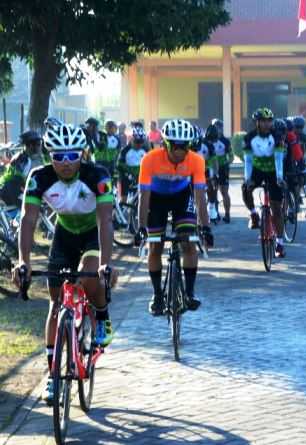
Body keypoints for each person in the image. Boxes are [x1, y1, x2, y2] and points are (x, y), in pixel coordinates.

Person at [12, 123, 116, 403]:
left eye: (73, 155)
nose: (66, 162)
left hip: (94, 232)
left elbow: (105, 220)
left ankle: (102, 316)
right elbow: (28, 219)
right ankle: (53, 376)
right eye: (59, 156)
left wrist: (106, 264)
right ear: (49, 156)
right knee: (56, 303)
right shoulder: (39, 177)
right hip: (65, 234)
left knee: (89, 276)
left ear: (82, 154)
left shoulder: (98, 175)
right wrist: (23, 261)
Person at [135, 119, 213, 316]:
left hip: (181, 196)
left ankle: (189, 292)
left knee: (188, 242)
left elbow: (199, 196)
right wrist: (141, 227)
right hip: (156, 199)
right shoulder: (150, 159)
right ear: (166, 144)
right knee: (155, 246)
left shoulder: (196, 160)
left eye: (185, 146)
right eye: (176, 145)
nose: (180, 150)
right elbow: (144, 196)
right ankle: (157, 295)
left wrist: (206, 227)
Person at [242, 108, 287, 258]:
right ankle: (254, 214)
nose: (267, 124)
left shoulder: (277, 136)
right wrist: (248, 179)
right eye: (263, 121)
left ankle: (280, 243)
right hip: (257, 169)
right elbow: (248, 160)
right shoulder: (250, 138)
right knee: (245, 188)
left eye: (269, 121)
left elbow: (279, 159)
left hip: (273, 171)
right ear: (257, 123)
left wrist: (279, 177)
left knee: (276, 208)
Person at [0, 131, 47, 209]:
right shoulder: (21, 160)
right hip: (9, 190)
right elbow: (20, 182)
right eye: (36, 144)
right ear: (28, 145)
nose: (39, 146)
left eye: (39, 143)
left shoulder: (40, 157)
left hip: (24, 187)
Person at [206, 119, 233, 223]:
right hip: (211, 167)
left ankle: (227, 214)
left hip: (222, 168)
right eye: (215, 127)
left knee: (224, 192)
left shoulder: (225, 141)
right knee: (211, 191)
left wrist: (226, 164)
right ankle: (213, 214)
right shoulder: (207, 139)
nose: (217, 129)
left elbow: (231, 156)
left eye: (219, 127)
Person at [116, 126, 148, 204]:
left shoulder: (145, 150)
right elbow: (119, 165)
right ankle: (122, 205)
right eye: (137, 142)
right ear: (132, 139)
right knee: (123, 200)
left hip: (141, 177)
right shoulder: (125, 150)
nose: (139, 144)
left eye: (141, 142)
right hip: (127, 176)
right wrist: (130, 171)